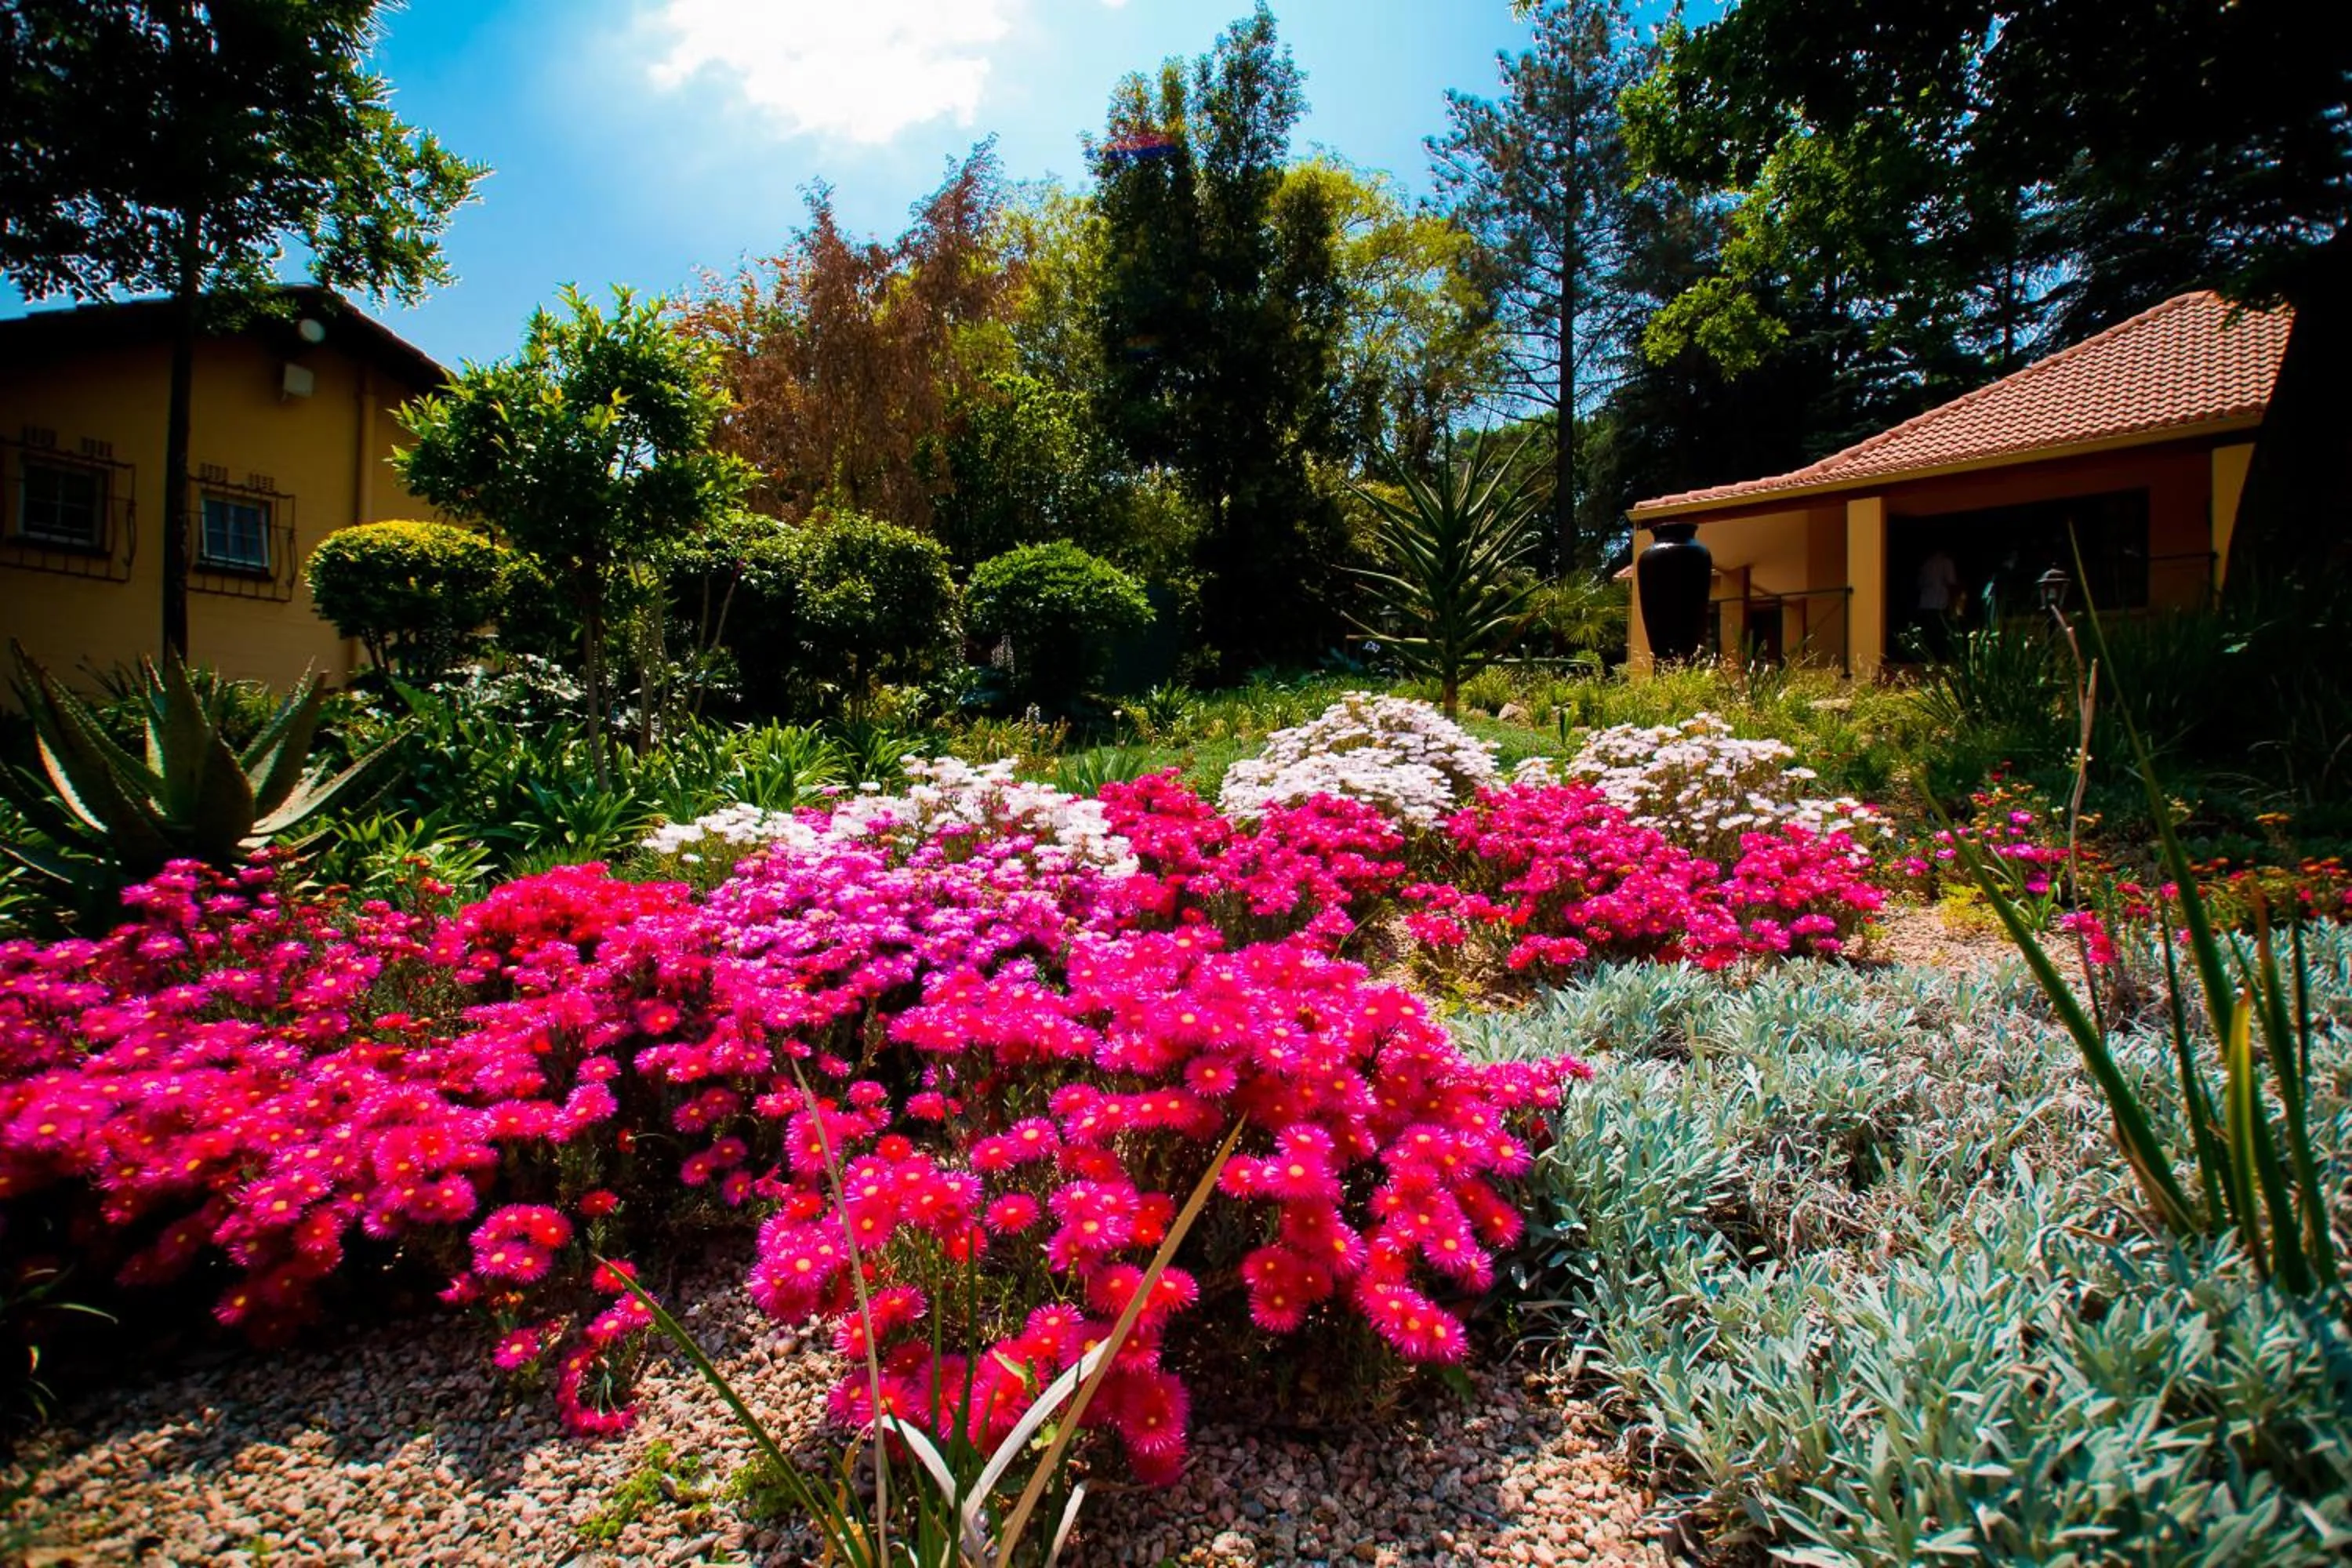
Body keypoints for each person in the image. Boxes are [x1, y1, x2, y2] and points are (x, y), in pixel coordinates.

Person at [1917, 548, 1961, 655]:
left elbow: (1919, 583)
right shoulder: (1946, 563)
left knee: (1929, 633)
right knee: (1940, 634)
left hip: (1926, 603)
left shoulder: (1927, 563)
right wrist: (1955, 605)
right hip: (1939, 603)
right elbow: (1951, 583)